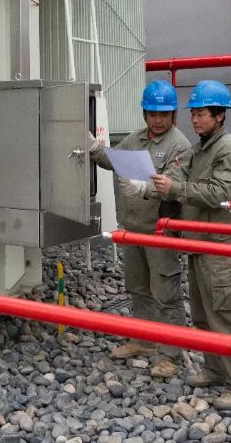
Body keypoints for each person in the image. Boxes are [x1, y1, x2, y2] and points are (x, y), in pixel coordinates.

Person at [144, 80, 231, 398]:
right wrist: (157, 185)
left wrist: (176, 189)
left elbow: (220, 192)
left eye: (201, 113)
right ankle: (215, 370)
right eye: (193, 113)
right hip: (200, 244)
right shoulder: (201, 148)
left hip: (221, 246)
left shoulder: (228, 148)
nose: (195, 119)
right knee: (204, 313)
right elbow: (180, 175)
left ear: (220, 115)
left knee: (226, 315)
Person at [87, 80, 191, 378]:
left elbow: (173, 184)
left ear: (173, 115)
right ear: (144, 113)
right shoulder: (136, 138)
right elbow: (114, 159)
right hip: (133, 228)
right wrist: (94, 148)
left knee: (165, 291)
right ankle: (144, 340)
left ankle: (171, 354)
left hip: (160, 231)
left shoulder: (179, 145)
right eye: (152, 114)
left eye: (164, 114)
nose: (158, 120)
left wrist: (145, 188)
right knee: (138, 287)